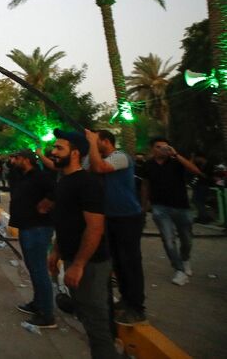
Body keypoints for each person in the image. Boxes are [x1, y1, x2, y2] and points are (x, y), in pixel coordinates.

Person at [48, 130, 118, 359]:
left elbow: (95, 227)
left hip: (91, 264)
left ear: (75, 153)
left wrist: (78, 265)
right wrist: (56, 251)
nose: (53, 152)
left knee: (96, 322)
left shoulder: (88, 183)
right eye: (54, 148)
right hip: (73, 259)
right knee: (87, 316)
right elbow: (65, 222)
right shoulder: (64, 182)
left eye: (59, 148)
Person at [84, 129, 146, 324]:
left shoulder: (121, 157)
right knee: (118, 263)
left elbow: (100, 168)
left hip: (127, 217)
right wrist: (91, 146)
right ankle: (126, 300)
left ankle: (136, 307)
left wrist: (92, 144)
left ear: (105, 141)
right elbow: (88, 168)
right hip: (110, 217)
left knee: (130, 262)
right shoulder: (97, 157)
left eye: (96, 140)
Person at [140, 137, 203, 286]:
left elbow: (195, 171)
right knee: (168, 240)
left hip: (181, 207)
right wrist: (144, 206)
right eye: (159, 147)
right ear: (152, 149)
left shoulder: (176, 162)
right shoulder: (148, 165)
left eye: (166, 147)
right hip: (160, 208)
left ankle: (185, 259)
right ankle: (179, 270)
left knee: (186, 239)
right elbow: (145, 186)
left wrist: (176, 155)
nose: (163, 149)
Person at [9, 149, 56, 329]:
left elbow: (56, 191)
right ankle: (38, 303)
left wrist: (47, 204)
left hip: (37, 228)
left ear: (27, 160)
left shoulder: (40, 176)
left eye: (17, 158)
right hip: (27, 227)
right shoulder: (24, 176)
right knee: (33, 268)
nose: (14, 161)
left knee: (39, 270)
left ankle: (47, 314)